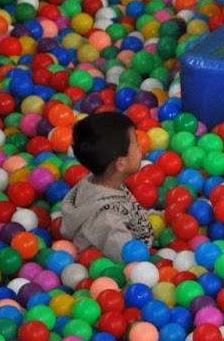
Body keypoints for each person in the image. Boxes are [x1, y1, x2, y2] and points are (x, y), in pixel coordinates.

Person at [58, 111, 155, 262]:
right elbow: (129, 263)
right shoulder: (109, 223)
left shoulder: (97, 181)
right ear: (120, 163)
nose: (141, 147)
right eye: (136, 143)